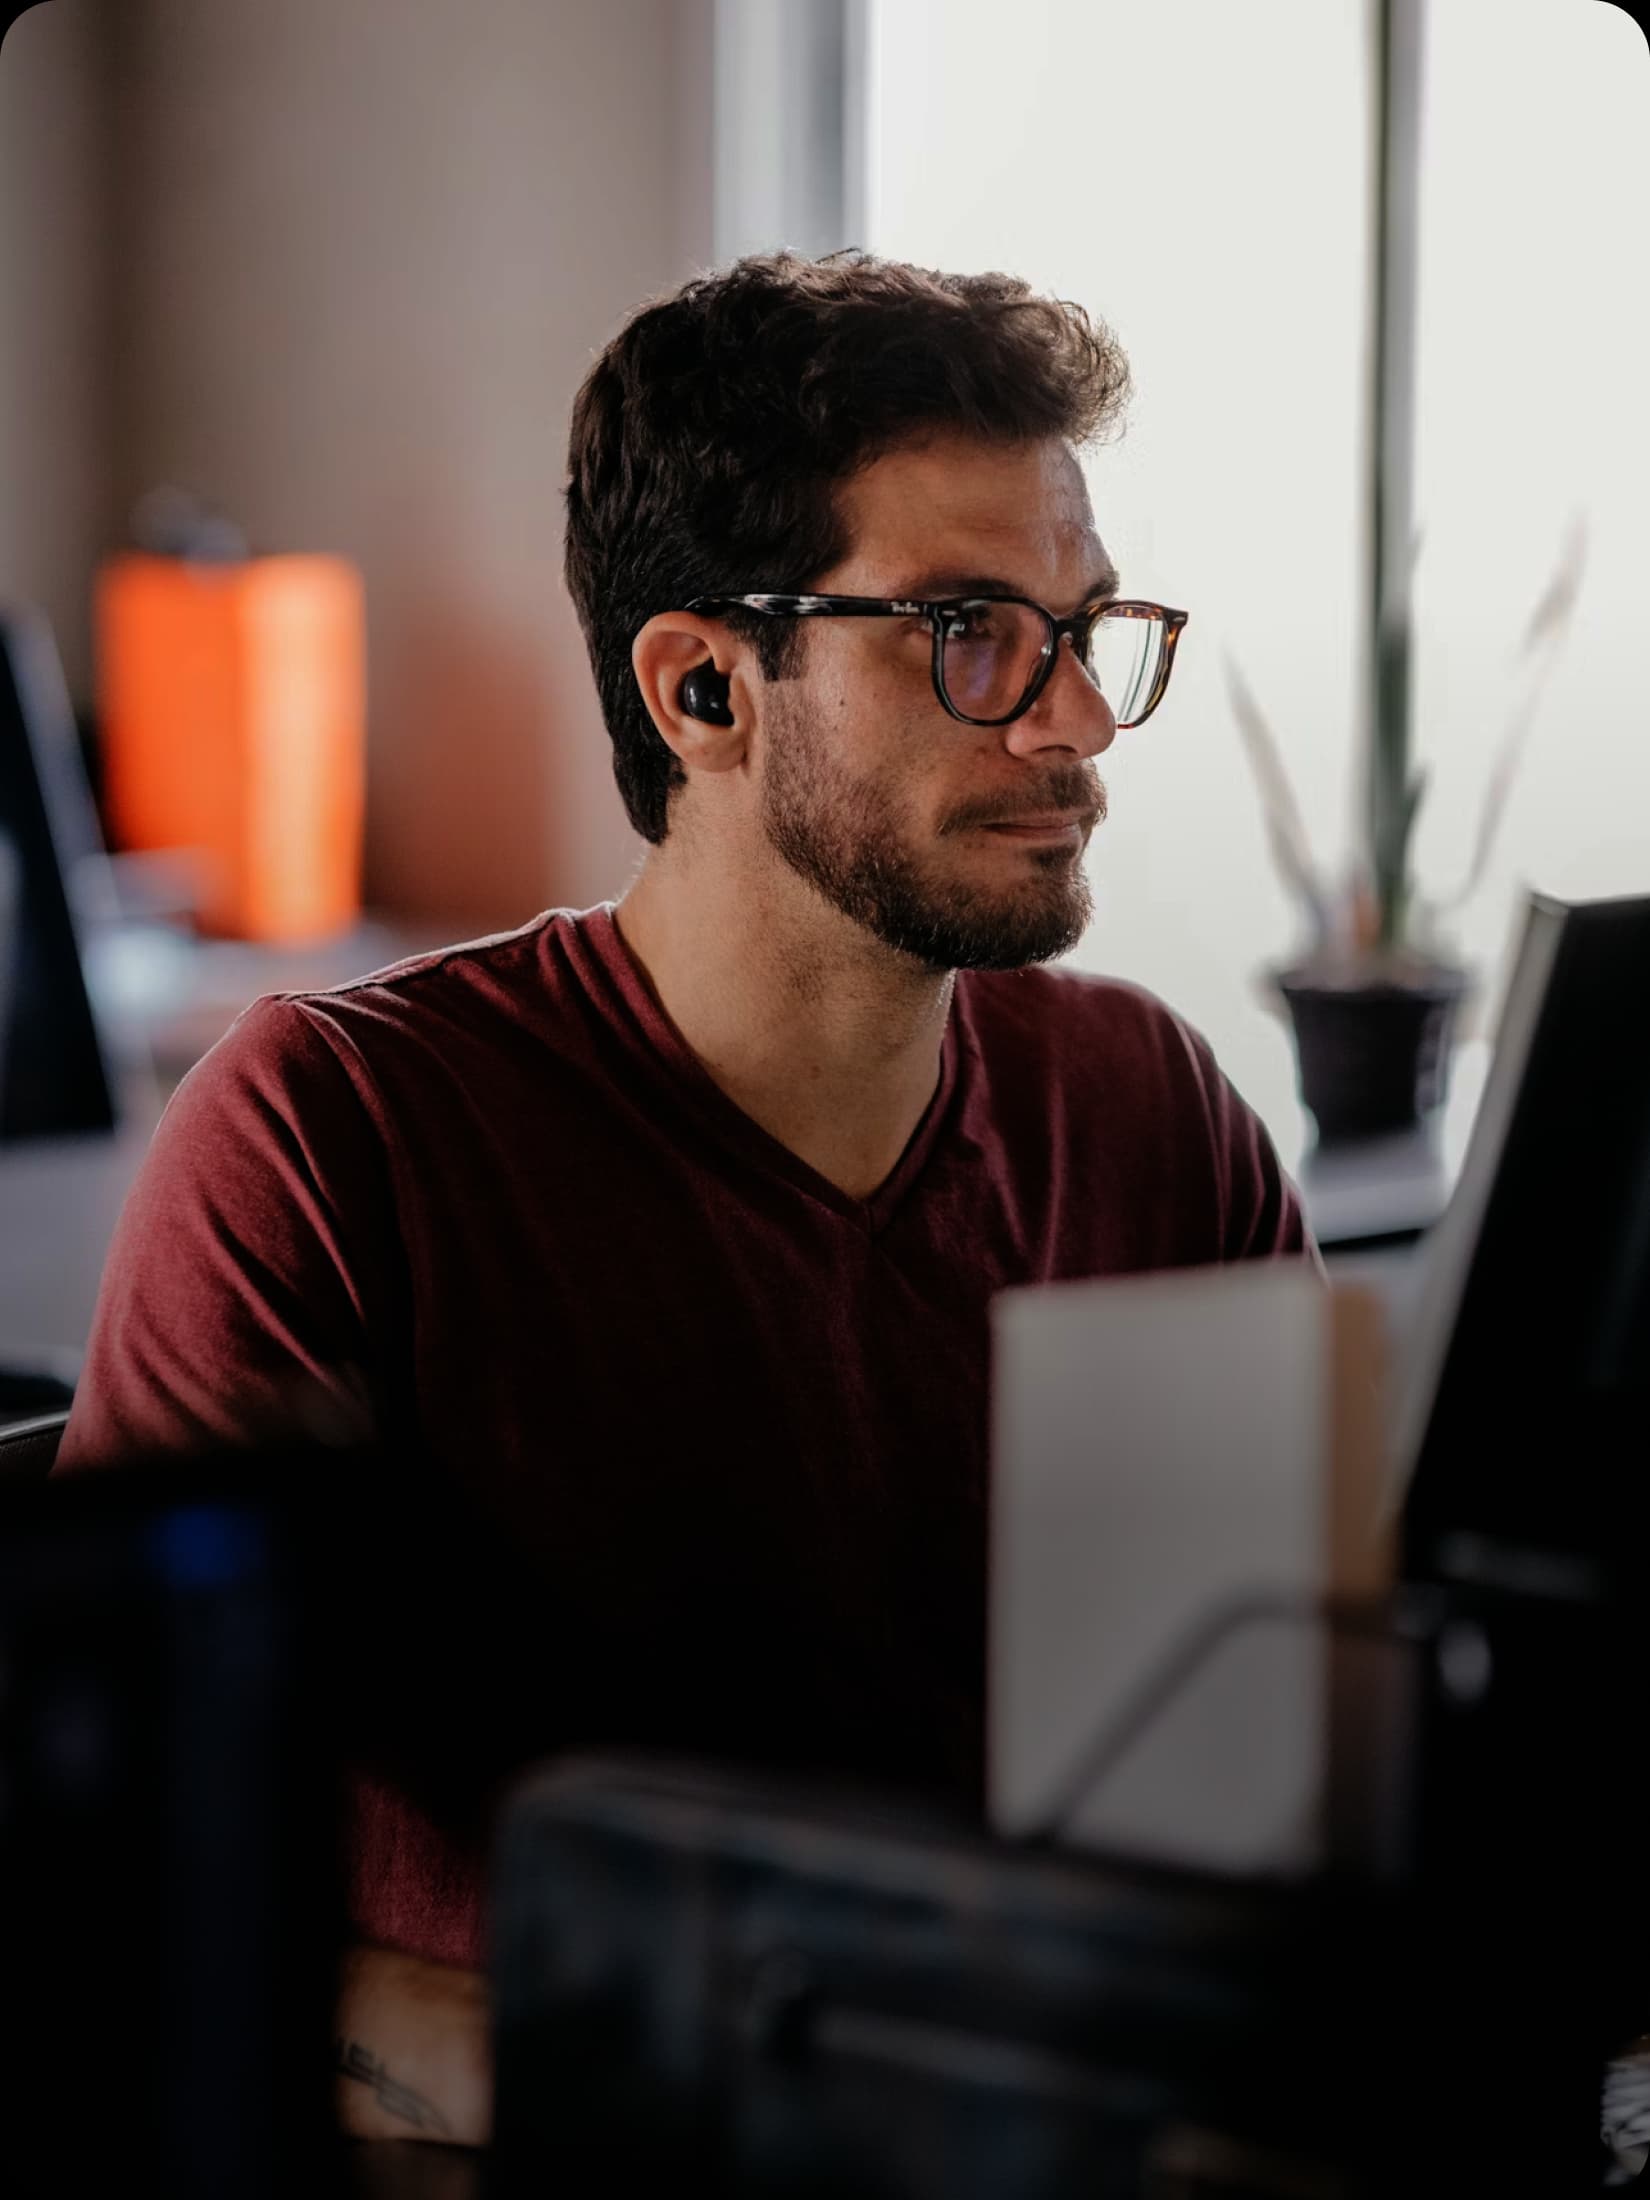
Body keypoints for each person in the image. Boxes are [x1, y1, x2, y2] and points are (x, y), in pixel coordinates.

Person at [56, 251, 1319, 2144]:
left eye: (1088, 630)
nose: (1073, 725)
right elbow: (102, 1907)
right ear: (706, 684)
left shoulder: (1143, 1108)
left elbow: (1299, 1751)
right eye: (973, 632)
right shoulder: (336, 1141)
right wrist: (601, 2062)